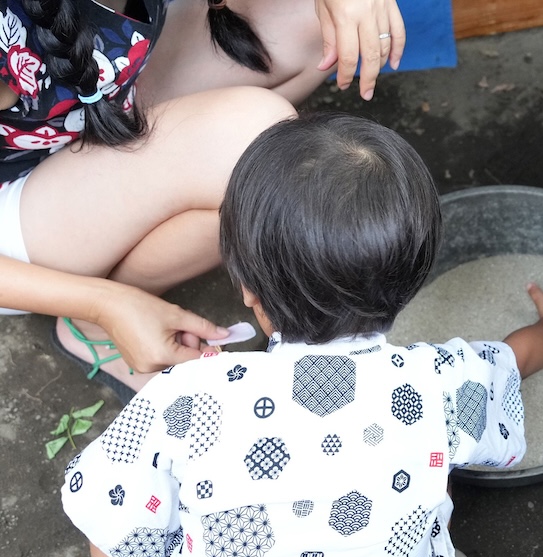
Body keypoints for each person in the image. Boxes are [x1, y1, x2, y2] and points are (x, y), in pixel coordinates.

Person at [60, 112, 543, 557]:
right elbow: (519, 357)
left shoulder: (186, 396)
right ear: (412, 281)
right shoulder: (441, 382)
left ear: (245, 288)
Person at [0, 0, 403, 404]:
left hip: (90, 93)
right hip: (16, 207)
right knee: (257, 155)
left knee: (311, 17)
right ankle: (94, 325)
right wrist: (105, 305)